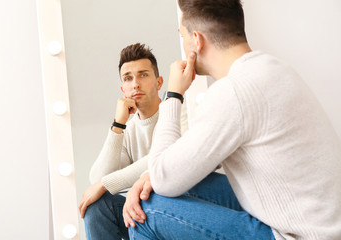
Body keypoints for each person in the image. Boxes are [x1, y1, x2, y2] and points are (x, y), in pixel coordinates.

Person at [122, 0, 341, 239]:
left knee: (145, 211)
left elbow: (164, 177)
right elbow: (181, 165)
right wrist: (150, 176)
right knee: (170, 185)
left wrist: (173, 95)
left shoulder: (233, 91)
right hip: (319, 224)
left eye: (182, 36)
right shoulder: (273, 68)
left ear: (197, 40)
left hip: (301, 235)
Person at [78, 43, 164, 240]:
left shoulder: (177, 110)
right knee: (98, 205)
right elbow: (98, 177)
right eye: (128, 78)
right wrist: (118, 125)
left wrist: (103, 184)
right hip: (142, 213)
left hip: (174, 210)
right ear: (122, 89)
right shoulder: (129, 129)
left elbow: (160, 157)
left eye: (143, 75)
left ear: (159, 82)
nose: (135, 84)